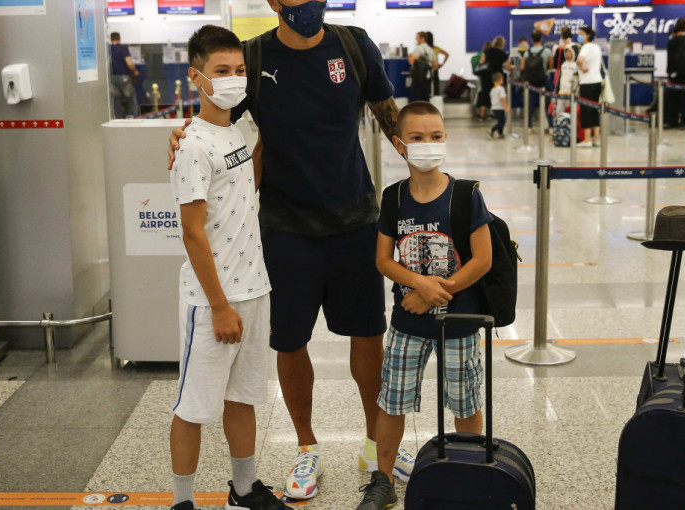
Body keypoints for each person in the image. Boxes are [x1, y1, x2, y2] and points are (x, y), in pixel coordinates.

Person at [167, 0, 413, 501]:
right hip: (285, 228)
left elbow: (388, 115)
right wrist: (179, 135)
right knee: (290, 343)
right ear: (275, 3)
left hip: (355, 221)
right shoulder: (253, 59)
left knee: (369, 336)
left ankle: (375, 446)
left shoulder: (353, 44)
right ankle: (306, 446)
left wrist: (426, 166)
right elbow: (216, 119)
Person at [168, 25, 286, 510]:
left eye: (239, 70)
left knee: (243, 397)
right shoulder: (192, 145)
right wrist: (219, 306)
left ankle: (244, 487)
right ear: (197, 77)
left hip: (253, 288)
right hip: (212, 301)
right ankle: (183, 501)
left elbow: (243, 187)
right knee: (194, 407)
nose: (234, 78)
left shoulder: (235, 130)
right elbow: (192, 232)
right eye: (222, 71)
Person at [356, 100, 492, 510]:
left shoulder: (465, 196)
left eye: (435, 136)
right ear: (400, 144)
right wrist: (417, 284)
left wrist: (439, 290)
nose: (427, 144)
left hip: (459, 322)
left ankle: (469, 474)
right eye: (416, 138)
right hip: (408, 321)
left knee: (465, 401)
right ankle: (383, 480)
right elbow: (383, 260)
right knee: (392, 400)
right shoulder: (395, 198)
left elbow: (483, 259)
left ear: (445, 139)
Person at [665, 18, 685, 129]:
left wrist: (670, 73)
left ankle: (672, 120)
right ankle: (683, 120)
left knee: (674, 97)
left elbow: (669, 58)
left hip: (674, 73)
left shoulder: (671, 41)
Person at [576, 25, 601, 147]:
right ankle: (596, 138)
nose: (579, 36)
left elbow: (580, 60)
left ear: (588, 35)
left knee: (585, 110)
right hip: (597, 81)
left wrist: (581, 68)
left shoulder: (585, 47)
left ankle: (587, 139)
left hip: (587, 82)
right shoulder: (596, 47)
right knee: (595, 110)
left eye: (581, 34)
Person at [521, 30, 551, 130]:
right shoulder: (547, 51)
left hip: (531, 81)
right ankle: (551, 127)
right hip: (543, 79)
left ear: (532, 40)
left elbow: (522, 67)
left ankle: (529, 127)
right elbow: (551, 66)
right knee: (548, 104)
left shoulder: (527, 53)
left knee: (530, 104)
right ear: (541, 39)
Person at [477, 36, 509, 120]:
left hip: (486, 75)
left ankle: (482, 114)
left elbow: (481, 62)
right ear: (502, 44)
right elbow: (508, 67)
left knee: (485, 94)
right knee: (497, 94)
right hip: (497, 76)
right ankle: (496, 113)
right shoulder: (503, 54)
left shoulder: (488, 51)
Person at [109, 32, 140, 118]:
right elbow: (129, 63)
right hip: (124, 77)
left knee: (116, 100)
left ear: (111, 39)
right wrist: (135, 71)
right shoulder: (123, 48)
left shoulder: (108, 49)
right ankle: (132, 118)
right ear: (119, 38)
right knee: (131, 99)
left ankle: (118, 119)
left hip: (112, 78)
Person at [409, 31, 436, 102]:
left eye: (417, 38)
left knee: (415, 99)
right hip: (428, 77)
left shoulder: (418, 48)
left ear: (422, 39)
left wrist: (410, 56)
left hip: (418, 77)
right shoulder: (431, 49)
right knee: (425, 98)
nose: (416, 40)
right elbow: (435, 64)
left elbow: (411, 62)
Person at [555, 43, 579, 116]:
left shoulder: (577, 66)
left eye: (569, 51)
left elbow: (577, 81)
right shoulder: (563, 64)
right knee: (559, 113)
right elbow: (560, 78)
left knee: (571, 113)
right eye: (566, 51)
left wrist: (575, 92)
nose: (567, 53)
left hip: (571, 94)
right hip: (562, 92)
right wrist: (557, 90)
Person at [425, 32, 449, 97]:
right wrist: (442, 64)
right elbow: (446, 54)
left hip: (428, 70)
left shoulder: (425, 49)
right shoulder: (435, 48)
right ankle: (435, 98)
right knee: (435, 88)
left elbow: (447, 54)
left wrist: (442, 64)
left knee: (428, 88)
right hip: (434, 70)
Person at [488, 72, 510, 139]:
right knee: (502, 122)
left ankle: (500, 134)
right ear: (500, 80)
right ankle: (492, 130)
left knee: (500, 121)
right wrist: (506, 106)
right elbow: (502, 98)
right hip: (500, 108)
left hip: (494, 108)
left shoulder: (492, 90)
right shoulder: (500, 89)